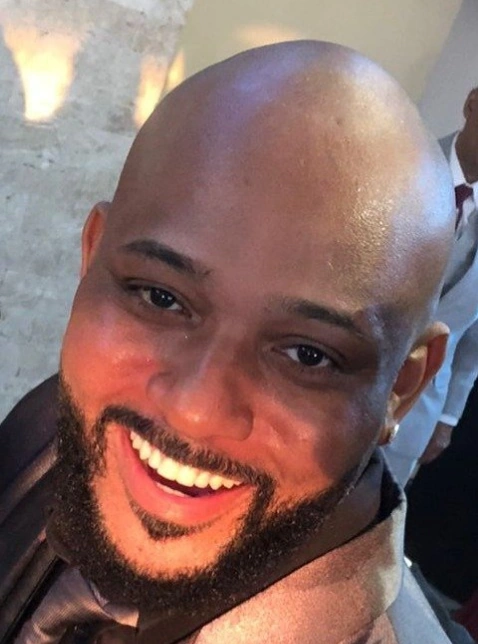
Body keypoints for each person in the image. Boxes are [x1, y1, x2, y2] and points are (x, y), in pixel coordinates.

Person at [0, 40, 459, 643]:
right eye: (159, 297)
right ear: (92, 259)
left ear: (402, 387)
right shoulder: (49, 425)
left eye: (308, 355)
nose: (196, 408)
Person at [384, 87, 478, 486]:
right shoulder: (397, 165)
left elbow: (473, 338)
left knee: (375, 515)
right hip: (343, 386)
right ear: (472, 103)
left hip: (417, 415)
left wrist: (448, 417)